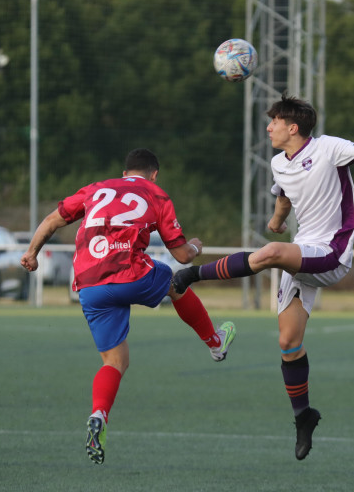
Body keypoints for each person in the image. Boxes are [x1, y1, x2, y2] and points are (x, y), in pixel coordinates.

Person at [172, 97, 354, 461]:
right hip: (303, 253)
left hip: (331, 251)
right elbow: (284, 196)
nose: (269, 127)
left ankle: (190, 275)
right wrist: (277, 221)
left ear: (292, 127)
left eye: (274, 122)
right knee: (288, 342)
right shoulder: (278, 162)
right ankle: (303, 417)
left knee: (271, 253)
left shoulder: (328, 147)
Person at [21, 148, 236, 465]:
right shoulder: (156, 195)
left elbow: (53, 220)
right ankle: (215, 343)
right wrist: (196, 246)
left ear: (124, 173)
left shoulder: (95, 189)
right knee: (176, 282)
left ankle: (99, 415)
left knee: (114, 361)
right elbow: (182, 255)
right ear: (154, 174)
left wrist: (32, 253)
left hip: (90, 282)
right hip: (131, 273)